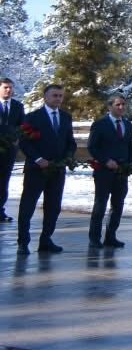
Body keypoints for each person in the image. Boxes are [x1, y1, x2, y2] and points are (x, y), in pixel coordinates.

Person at [17, 83, 75, 254]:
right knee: (28, 206)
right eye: (54, 95)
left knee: (53, 206)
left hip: (57, 169)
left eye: (60, 96)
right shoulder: (32, 117)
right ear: (45, 97)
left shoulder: (65, 117)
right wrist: (38, 159)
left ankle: (46, 240)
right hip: (36, 169)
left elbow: (70, 141)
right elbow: (24, 142)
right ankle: (23, 242)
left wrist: (68, 157)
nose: (58, 99)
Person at [87, 94, 132, 249]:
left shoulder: (127, 124)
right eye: (117, 105)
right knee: (100, 204)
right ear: (109, 106)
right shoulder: (100, 124)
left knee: (118, 205)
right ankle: (94, 238)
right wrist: (106, 160)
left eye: (123, 104)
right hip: (104, 172)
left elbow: (130, 146)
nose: (121, 107)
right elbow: (92, 147)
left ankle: (111, 236)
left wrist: (131, 163)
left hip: (122, 171)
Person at [0, 76, 22, 223]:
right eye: (5, 87)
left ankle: (0, 211)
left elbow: (22, 126)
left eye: (10, 88)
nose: (8, 90)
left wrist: (16, 138)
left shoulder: (17, 106)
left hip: (9, 150)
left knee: (4, 181)